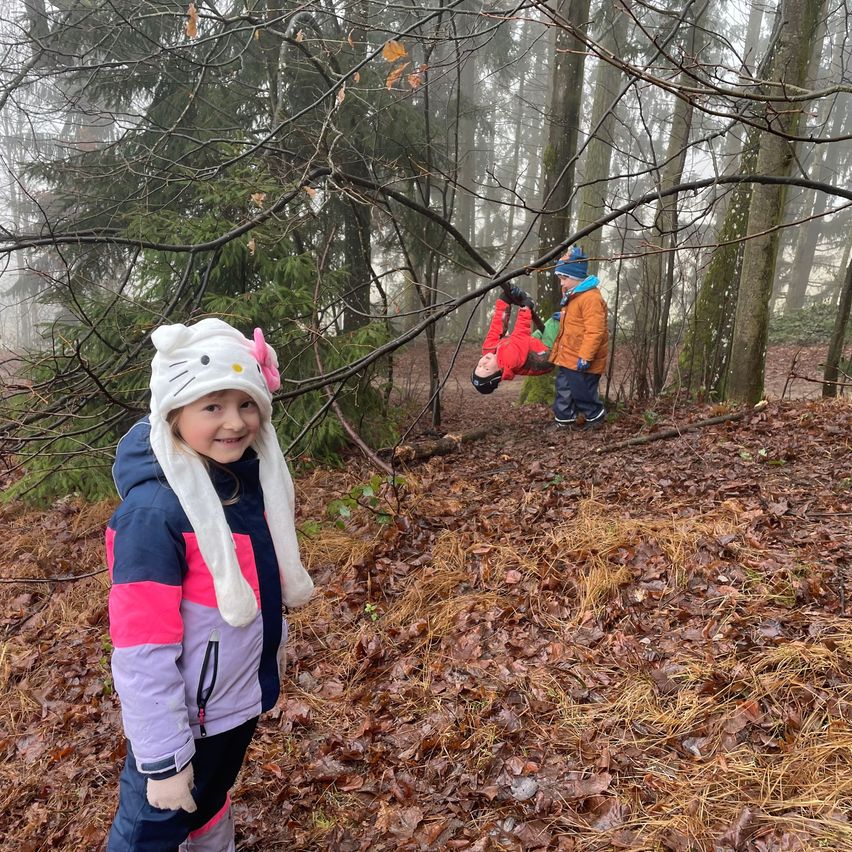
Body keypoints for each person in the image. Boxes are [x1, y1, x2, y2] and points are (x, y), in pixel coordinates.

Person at [105, 318, 314, 851]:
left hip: (234, 703)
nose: (235, 422)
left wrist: (273, 651)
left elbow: (259, 590)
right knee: (150, 832)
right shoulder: (155, 515)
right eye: (212, 407)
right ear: (174, 414)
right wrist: (164, 760)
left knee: (213, 792)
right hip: (184, 725)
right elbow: (142, 652)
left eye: (246, 404)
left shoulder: (246, 485)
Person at [548, 246, 609, 428]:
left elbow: (595, 330)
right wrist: (564, 317)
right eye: (560, 279)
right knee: (564, 389)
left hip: (582, 359)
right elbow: (578, 323)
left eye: (564, 278)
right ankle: (564, 420)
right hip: (568, 357)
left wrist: (586, 356)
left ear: (576, 277)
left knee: (583, 392)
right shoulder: (574, 296)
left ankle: (595, 418)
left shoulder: (590, 298)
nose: (562, 283)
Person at [471, 286, 561, 394]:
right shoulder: (510, 361)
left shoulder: (488, 350)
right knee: (555, 322)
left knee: (545, 329)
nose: (484, 362)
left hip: (532, 346)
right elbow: (520, 333)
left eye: (479, 366)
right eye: (486, 369)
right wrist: (526, 306)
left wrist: (504, 301)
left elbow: (497, 327)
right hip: (546, 354)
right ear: (498, 372)